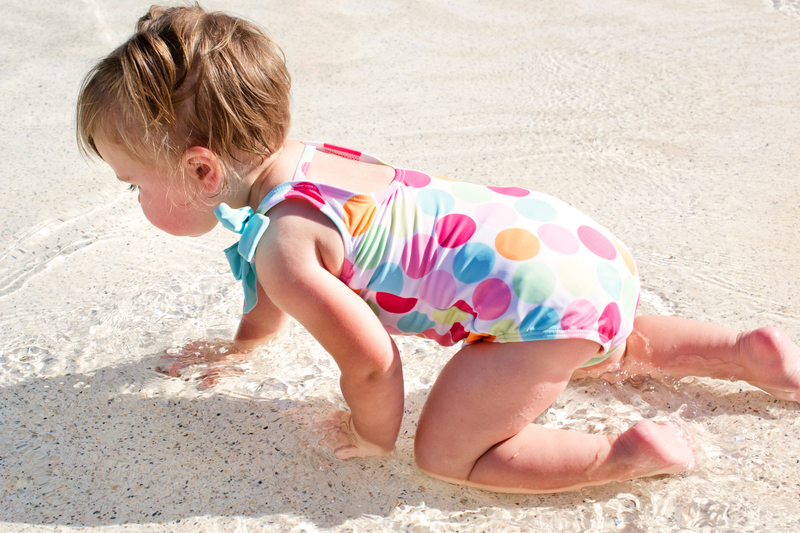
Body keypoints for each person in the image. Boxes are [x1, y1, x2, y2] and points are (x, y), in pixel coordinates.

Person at [76, 5, 800, 494]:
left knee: (447, 455)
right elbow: (283, 284)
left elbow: (370, 357)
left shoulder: (285, 248)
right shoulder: (312, 165)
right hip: (568, 246)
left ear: (203, 172)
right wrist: (246, 342)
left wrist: (371, 431)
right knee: (609, 338)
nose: (134, 198)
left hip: (538, 304)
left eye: (132, 184)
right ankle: (744, 350)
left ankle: (629, 455)